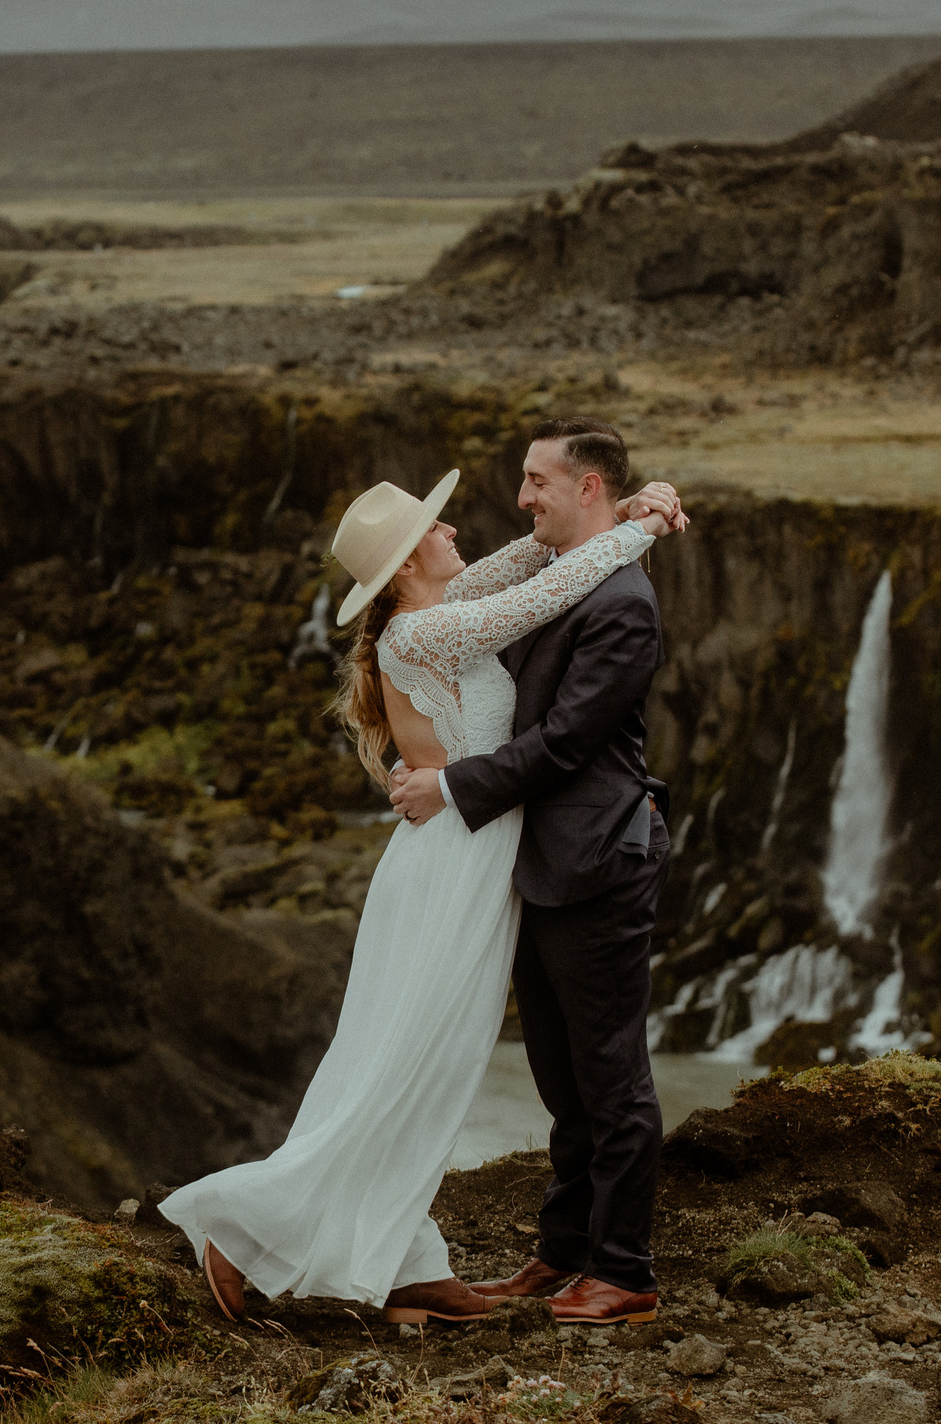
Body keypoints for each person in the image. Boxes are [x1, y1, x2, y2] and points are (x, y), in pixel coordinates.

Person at [160, 448, 685, 1326]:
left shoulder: (440, 605)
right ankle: (242, 1224)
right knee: (408, 1062)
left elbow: (529, 561)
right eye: (434, 526)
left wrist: (625, 507)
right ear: (406, 563)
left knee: (423, 1063)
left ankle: (401, 1254)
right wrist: (644, 528)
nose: (456, 527)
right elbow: (544, 592)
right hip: (457, 864)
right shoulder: (427, 630)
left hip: (474, 857)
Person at [387, 417, 678, 1327]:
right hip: (536, 865)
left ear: (587, 487)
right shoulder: (560, 575)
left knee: (611, 1071)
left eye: (536, 482)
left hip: (597, 858)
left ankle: (624, 1269)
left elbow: (562, 744)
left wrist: (452, 787)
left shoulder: (623, 602)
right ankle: (562, 1250)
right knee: (559, 1071)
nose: (521, 498)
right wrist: (640, 514)